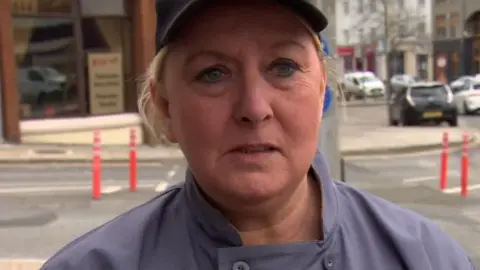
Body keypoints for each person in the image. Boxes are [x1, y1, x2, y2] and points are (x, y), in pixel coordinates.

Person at [41, 0, 476, 269]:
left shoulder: (425, 257)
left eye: (283, 67)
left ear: (322, 89)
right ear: (166, 106)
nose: (253, 107)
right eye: (213, 73)